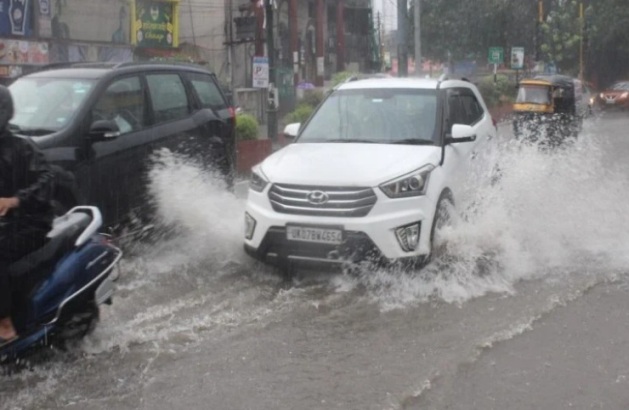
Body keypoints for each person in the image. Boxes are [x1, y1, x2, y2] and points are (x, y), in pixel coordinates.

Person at [0, 85, 55, 346]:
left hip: (31, 222)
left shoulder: (22, 146)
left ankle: (5, 325)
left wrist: (16, 200)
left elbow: (46, 180)